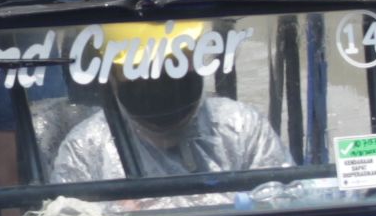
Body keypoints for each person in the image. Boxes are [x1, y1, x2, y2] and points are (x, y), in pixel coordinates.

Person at [48, 40, 289, 186]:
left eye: (173, 64)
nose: (159, 79)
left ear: (195, 59)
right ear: (113, 75)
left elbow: (283, 206)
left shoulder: (242, 126)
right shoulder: (87, 146)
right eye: (140, 68)